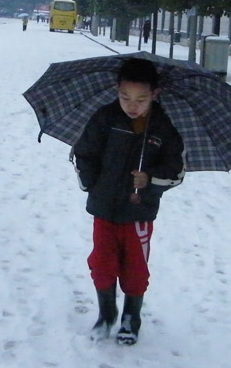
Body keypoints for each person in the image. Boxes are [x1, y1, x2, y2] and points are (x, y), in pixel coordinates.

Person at [72, 58, 185, 345]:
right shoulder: (105, 118)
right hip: (104, 208)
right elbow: (84, 153)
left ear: (155, 95)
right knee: (101, 263)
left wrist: (149, 178)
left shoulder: (163, 127)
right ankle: (107, 313)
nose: (132, 105)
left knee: (135, 268)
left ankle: (131, 317)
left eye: (141, 99)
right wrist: (91, 183)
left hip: (139, 214)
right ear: (116, 90)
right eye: (125, 97)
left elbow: (176, 170)